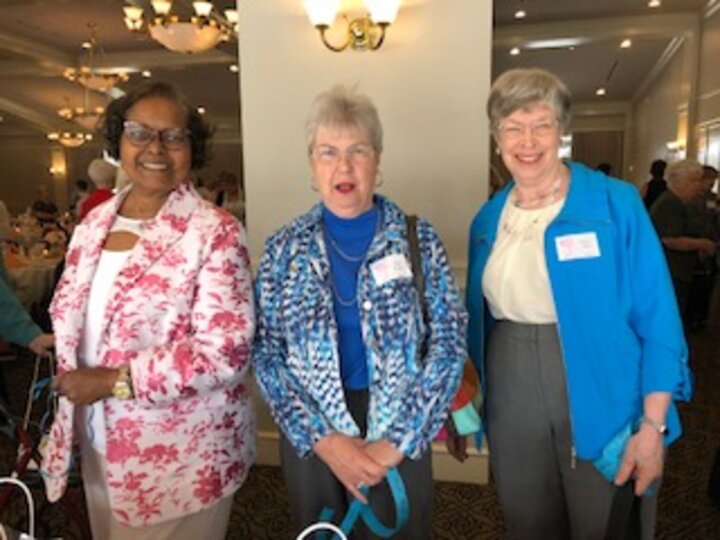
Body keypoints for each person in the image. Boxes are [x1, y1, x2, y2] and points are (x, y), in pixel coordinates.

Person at [459, 68, 691, 539]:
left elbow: (660, 320)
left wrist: (653, 425)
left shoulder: (615, 204)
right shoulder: (488, 218)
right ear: (496, 137)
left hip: (609, 394)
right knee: (526, 519)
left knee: (605, 521)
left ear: (563, 132)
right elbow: (475, 324)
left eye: (541, 124)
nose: (527, 140)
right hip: (511, 389)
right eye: (512, 127)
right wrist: (466, 403)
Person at [43, 81, 256, 540]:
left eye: (174, 136)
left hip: (183, 454)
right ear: (118, 140)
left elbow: (226, 352)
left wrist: (110, 381)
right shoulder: (92, 226)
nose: (155, 148)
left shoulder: (215, 232)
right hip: (98, 439)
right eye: (139, 133)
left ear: (191, 149)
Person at [253, 86, 466, 539]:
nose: (343, 167)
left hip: (401, 421)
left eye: (358, 151)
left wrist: (397, 444)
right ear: (312, 164)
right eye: (328, 152)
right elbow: (266, 354)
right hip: (314, 430)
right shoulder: (283, 250)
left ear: (378, 161)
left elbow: (448, 344)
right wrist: (323, 440)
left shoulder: (418, 239)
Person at [650, 159, 716, 326]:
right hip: (672, 270)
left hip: (679, 270)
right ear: (682, 182)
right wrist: (703, 244)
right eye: (695, 181)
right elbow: (671, 240)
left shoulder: (679, 202)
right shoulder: (669, 203)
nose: (699, 186)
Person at [687, 165, 719, 328]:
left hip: (711, 242)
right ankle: (693, 316)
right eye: (709, 181)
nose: (711, 185)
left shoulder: (713, 199)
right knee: (697, 284)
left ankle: (701, 316)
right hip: (699, 243)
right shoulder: (691, 199)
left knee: (708, 283)